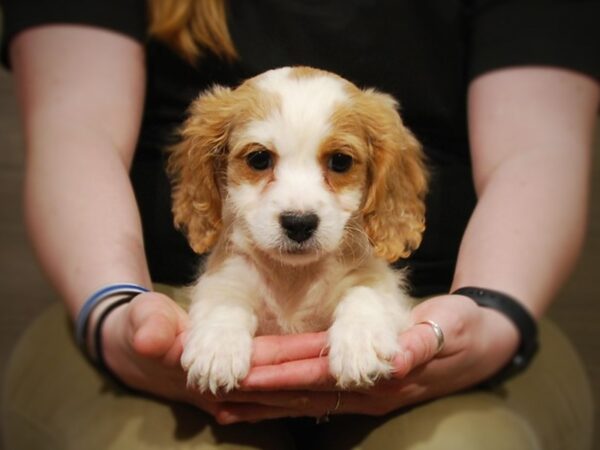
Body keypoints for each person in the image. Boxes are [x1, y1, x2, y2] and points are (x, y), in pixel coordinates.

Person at [1, 0, 599, 448]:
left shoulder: (382, 175)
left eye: (339, 163)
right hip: (151, 304)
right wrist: (113, 306)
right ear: (215, 166)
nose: (298, 206)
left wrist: (495, 315)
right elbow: (73, 131)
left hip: (453, 320)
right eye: (258, 161)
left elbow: (538, 148)